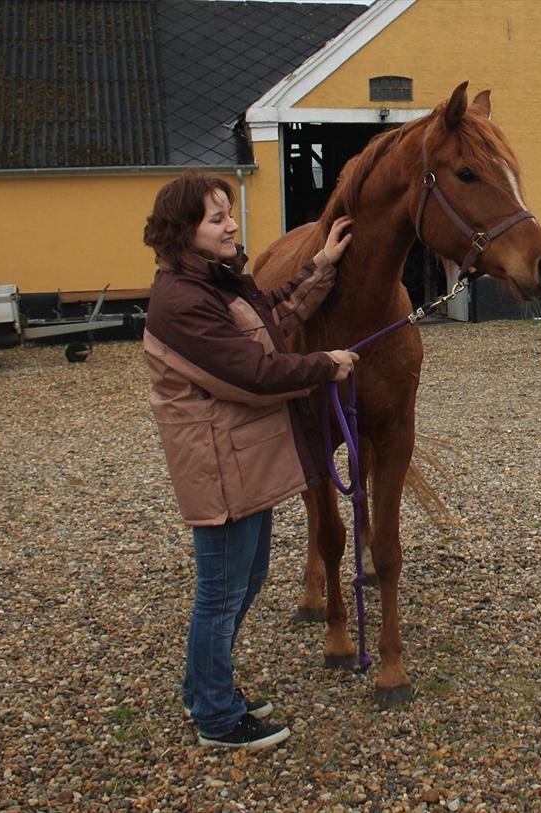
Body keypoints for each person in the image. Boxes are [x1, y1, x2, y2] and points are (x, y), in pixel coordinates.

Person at [142, 170, 358, 750]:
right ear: (184, 231)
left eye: (229, 213)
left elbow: (275, 320)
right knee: (220, 591)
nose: (231, 224)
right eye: (216, 218)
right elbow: (254, 375)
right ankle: (216, 717)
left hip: (240, 459)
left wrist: (323, 264)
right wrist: (325, 364)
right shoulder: (182, 302)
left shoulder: (216, 283)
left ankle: (204, 688)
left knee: (246, 577)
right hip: (218, 465)